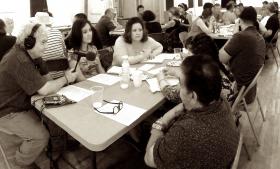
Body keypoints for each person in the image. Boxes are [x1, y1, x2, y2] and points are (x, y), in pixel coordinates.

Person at [0, 22, 79, 169]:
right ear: (29, 42)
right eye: (43, 42)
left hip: (22, 103)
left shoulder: (33, 54)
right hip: (6, 111)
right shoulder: (19, 59)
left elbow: (47, 80)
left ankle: (57, 147)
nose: (46, 46)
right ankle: (18, 163)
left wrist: (58, 85)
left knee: (55, 114)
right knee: (41, 136)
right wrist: (66, 78)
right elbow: (44, 89)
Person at [144, 54, 239, 169]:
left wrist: (161, 122)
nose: (179, 89)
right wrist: (175, 111)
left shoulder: (184, 131)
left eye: (180, 84)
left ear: (193, 96)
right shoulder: (221, 99)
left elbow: (149, 159)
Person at [158, 33, 234, 103]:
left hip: (207, 115)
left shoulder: (201, 79)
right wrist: (177, 73)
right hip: (224, 110)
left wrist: (161, 79)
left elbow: (173, 95)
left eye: (189, 54)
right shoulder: (218, 66)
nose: (186, 57)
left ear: (200, 58)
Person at [219, 6, 266, 104]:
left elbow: (221, 58)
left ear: (240, 20)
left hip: (238, 90)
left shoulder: (241, 36)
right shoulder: (260, 37)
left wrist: (233, 36)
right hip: (249, 90)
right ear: (254, 20)